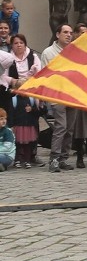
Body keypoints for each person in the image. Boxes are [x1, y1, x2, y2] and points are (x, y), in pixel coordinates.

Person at [2, 34, 43, 169]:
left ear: (25, 44)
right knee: (17, 122)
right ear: (12, 46)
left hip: (31, 91)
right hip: (15, 91)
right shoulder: (8, 58)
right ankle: (18, 155)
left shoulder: (33, 56)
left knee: (33, 121)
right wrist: (15, 81)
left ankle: (32, 154)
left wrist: (31, 76)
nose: (19, 45)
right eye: (15, 43)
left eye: (21, 43)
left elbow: (40, 72)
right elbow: (3, 75)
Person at [41, 24, 78, 172]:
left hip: (72, 95)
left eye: (70, 32)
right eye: (65, 32)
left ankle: (63, 158)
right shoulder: (48, 52)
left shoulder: (74, 51)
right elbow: (45, 75)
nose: (69, 35)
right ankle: (54, 159)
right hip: (57, 95)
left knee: (69, 129)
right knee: (60, 127)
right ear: (57, 35)